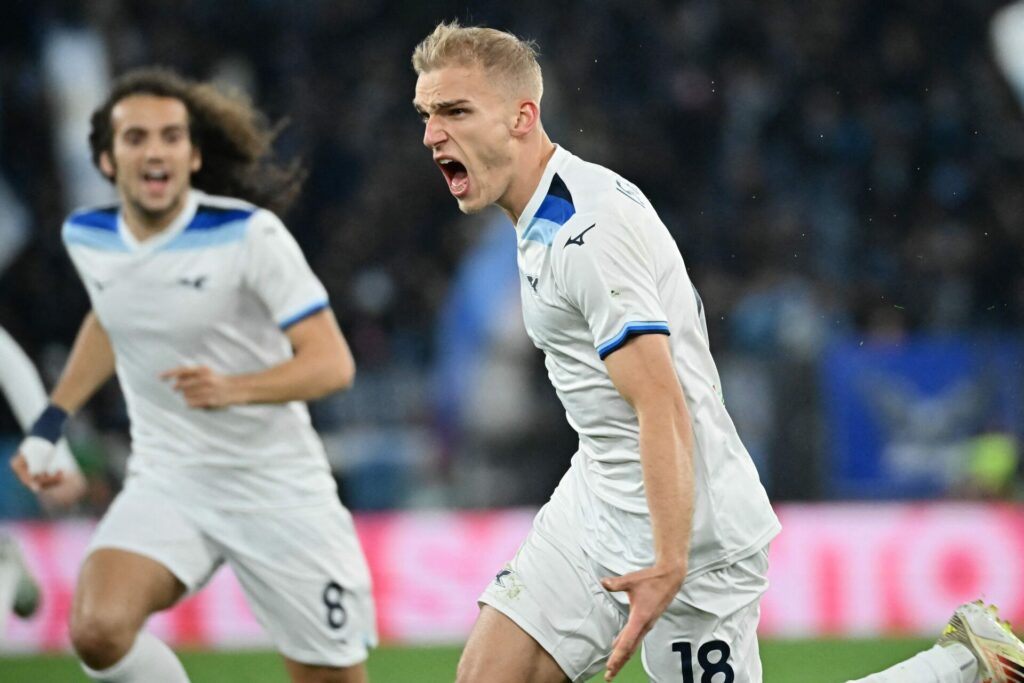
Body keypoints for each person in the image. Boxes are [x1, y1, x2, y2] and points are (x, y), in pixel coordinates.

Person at [410, 21, 1024, 683]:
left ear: (522, 117)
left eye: (455, 111)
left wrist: (670, 558)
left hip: (689, 530)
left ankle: (960, 666)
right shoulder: (543, 217)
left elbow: (661, 401)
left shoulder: (587, 235)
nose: (432, 134)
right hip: (599, 498)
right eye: (426, 114)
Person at [9, 67, 376, 683]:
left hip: (278, 488)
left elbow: (332, 363)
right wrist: (50, 420)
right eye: (137, 138)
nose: (156, 150)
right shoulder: (88, 237)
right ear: (106, 159)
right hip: (170, 480)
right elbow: (111, 318)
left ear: (193, 155)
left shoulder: (248, 236)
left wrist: (236, 388)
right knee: (97, 631)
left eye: (172, 136)